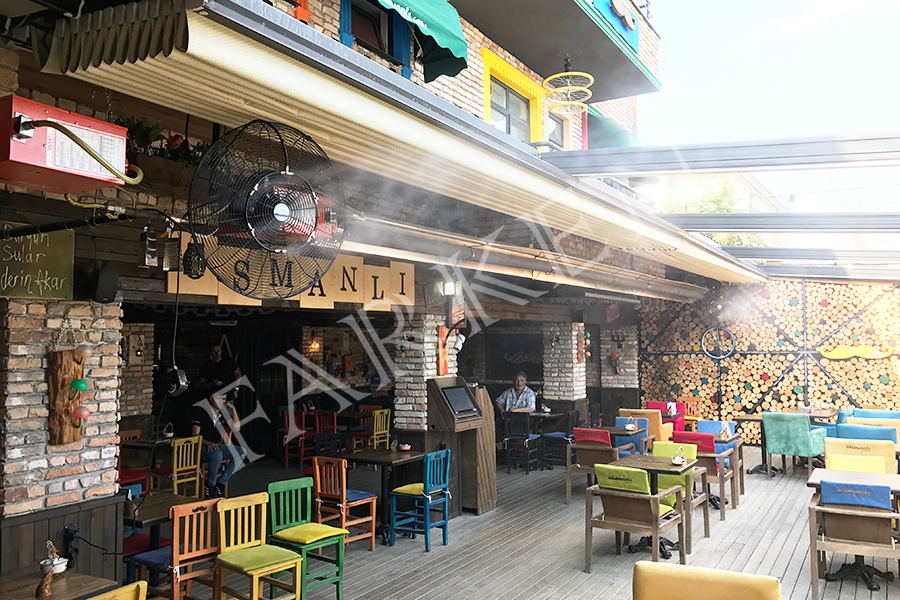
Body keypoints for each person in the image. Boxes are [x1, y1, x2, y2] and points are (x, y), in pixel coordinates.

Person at [191, 392, 246, 498]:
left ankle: (221, 482)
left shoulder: (223, 414)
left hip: (216, 446)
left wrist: (233, 408)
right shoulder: (201, 411)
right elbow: (195, 435)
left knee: (241, 452)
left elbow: (236, 428)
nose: (221, 402)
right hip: (200, 447)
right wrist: (207, 443)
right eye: (219, 399)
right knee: (217, 454)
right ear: (211, 398)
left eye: (224, 399)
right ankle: (210, 485)